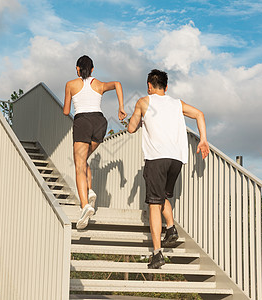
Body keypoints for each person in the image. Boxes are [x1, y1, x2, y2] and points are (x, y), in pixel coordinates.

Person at [128, 69, 209, 269]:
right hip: (177, 159)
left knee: (154, 204)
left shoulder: (143, 102)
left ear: (149, 85)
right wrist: (203, 140)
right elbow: (199, 114)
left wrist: (133, 119)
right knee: (162, 195)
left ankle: (157, 254)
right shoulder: (177, 103)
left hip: (156, 158)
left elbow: (131, 128)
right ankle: (171, 228)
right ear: (166, 86)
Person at [63, 55, 127, 230]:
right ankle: (89, 190)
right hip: (100, 122)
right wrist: (121, 107)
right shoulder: (98, 84)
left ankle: (85, 206)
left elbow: (66, 110)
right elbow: (117, 84)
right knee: (84, 160)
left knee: (78, 165)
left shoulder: (71, 84)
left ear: (77, 68)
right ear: (92, 69)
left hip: (82, 120)